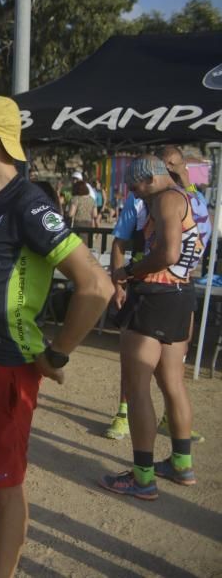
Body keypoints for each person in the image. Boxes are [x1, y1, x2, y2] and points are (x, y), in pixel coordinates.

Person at [0, 96, 113, 578]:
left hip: (4, 366)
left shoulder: (28, 204)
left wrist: (57, 354)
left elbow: (96, 285)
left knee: (4, 483)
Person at [100, 155, 204, 500]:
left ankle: (142, 477)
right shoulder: (186, 198)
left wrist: (128, 272)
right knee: (173, 383)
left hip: (155, 296)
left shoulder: (164, 199)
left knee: (137, 386)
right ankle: (181, 463)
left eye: (133, 187)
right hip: (181, 294)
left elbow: (169, 253)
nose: (133, 194)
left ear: (148, 179)